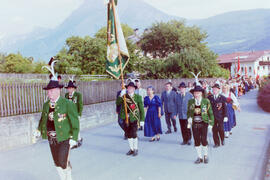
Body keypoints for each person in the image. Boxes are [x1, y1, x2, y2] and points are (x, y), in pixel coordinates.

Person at [36, 62, 79, 180]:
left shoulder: (67, 104)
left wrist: (74, 138)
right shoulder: (46, 105)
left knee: (62, 161)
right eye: (48, 91)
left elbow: (75, 122)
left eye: (52, 91)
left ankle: (68, 177)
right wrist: (38, 130)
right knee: (56, 162)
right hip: (51, 138)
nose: (49, 93)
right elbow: (43, 119)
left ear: (58, 90)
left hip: (64, 137)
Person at [116, 82, 145, 156]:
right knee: (128, 134)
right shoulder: (124, 96)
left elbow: (141, 109)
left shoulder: (138, 97)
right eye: (128, 88)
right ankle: (131, 149)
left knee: (134, 133)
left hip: (134, 117)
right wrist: (120, 95)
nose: (130, 89)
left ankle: (136, 149)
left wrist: (142, 120)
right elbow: (117, 103)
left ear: (134, 89)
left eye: (131, 88)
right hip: (125, 118)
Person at [187, 85, 214, 164]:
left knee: (204, 140)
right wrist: (189, 118)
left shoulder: (206, 101)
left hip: (204, 123)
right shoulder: (191, 102)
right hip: (194, 123)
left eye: (198, 93)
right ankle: (199, 157)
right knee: (197, 140)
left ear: (201, 93)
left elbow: (211, 113)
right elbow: (188, 112)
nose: (196, 95)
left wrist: (211, 124)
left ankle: (205, 155)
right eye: (195, 93)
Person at [208, 84, 228, 148]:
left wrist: (225, 116)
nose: (214, 90)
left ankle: (222, 139)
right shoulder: (209, 98)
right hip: (212, 117)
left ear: (219, 90)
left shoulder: (222, 98)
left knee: (221, 129)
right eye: (213, 89)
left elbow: (225, 108)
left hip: (220, 117)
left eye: (216, 89)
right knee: (214, 130)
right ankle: (216, 143)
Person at [65, 79, 83, 148]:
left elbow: (80, 105)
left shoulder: (78, 95)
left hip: (75, 114)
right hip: (68, 115)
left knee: (76, 127)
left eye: (70, 88)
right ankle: (77, 139)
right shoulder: (66, 95)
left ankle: (77, 140)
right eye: (68, 88)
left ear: (73, 88)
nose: (69, 90)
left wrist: (79, 114)